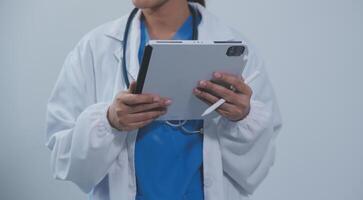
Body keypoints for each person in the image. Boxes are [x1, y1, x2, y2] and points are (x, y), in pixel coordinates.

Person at [45, 0, 282, 200]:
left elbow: (257, 167)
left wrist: (243, 118)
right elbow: (64, 161)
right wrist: (109, 122)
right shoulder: (94, 48)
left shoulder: (237, 48)